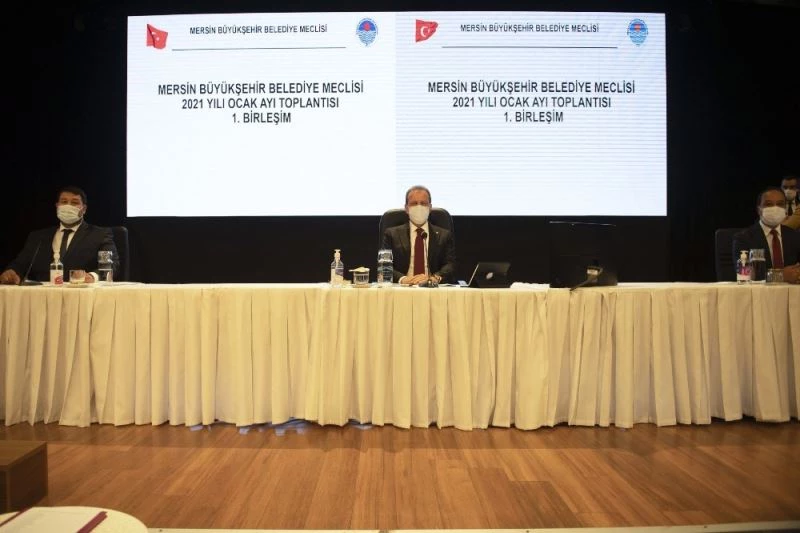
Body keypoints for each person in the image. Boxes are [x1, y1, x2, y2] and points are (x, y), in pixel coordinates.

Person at [0, 186, 119, 284]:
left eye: (74, 203)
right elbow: (20, 264)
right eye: (64, 202)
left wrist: (92, 276)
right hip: (42, 296)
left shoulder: (99, 235)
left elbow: (111, 265)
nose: (68, 206)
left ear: (84, 209)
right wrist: (12, 272)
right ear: (57, 206)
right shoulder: (38, 237)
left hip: (81, 294)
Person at [381, 185, 456, 285]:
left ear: (430, 208)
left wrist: (434, 278)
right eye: (414, 203)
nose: (419, 207)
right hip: (403, 288)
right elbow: (384, 265)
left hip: (432, 288)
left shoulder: (444, 235)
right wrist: (403, 279)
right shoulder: (391, 234)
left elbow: (450, 265)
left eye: (423, 203)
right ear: (406, 208)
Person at [732, 186, 800, 283]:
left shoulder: (795, 236)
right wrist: (780, 275)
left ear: (785, 209)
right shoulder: (743, 238)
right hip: (759, 291)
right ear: (759, 210)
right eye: (769, 204)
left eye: (780, 204)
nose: (775, 208)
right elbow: (745, 274)